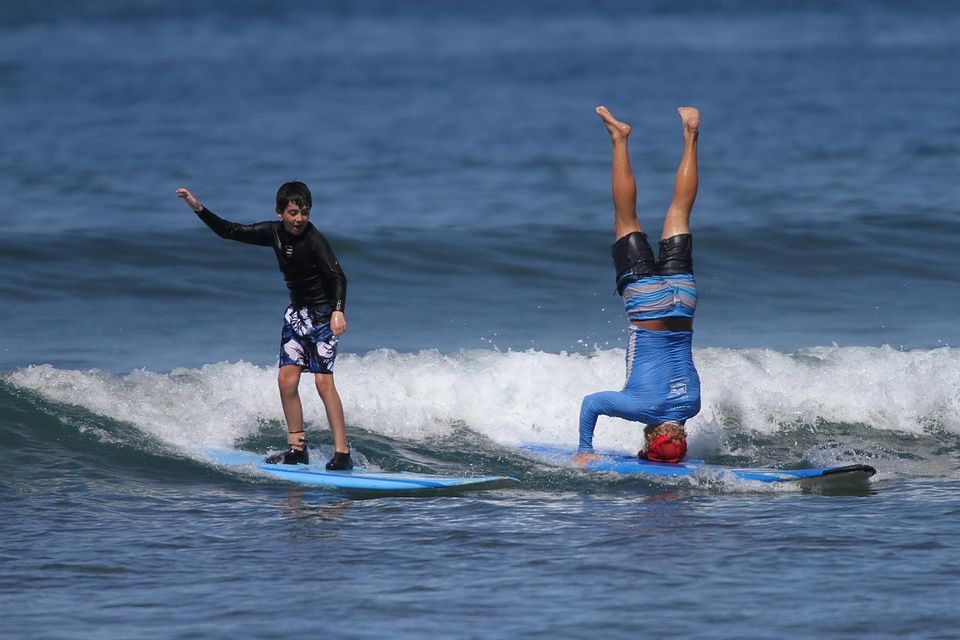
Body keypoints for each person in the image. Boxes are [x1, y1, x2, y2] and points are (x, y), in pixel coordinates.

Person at [176, 182, 354, 470]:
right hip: (296, 316)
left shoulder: (314, 239)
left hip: (323, 315)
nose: (299, 219)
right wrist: (198, 208)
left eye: (304, 213)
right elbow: (229, 231)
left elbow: (338, 277)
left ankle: (342, 454)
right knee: (286, 380)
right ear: (279, 212)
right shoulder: (273, 232)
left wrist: (337, 311)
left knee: (323, 382)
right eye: (293, 213)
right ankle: (298, 449)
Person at [575, 106, 702, 465]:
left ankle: (691, 135)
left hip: (683, 301)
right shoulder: (639, 410)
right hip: (647, 304)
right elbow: (591, 404)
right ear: (648, 443)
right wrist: (585, 450)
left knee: (679, 212)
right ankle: (619, 138)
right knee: (626, 218)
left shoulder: (691, 405)